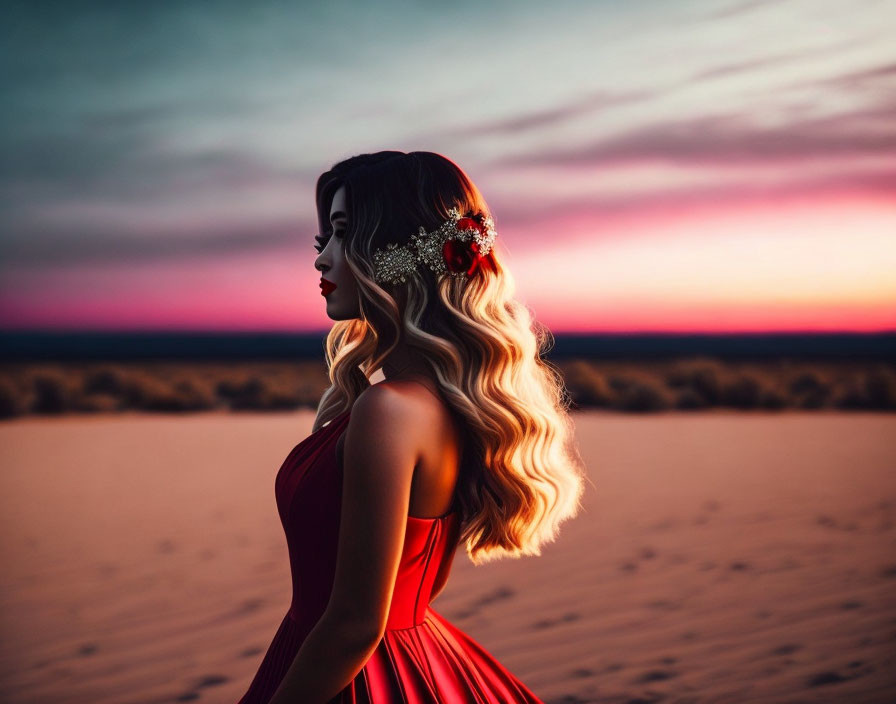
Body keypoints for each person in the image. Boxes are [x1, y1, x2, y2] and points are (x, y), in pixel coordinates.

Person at [236, 151, 587, 703]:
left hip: (349, 674)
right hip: (412, 659)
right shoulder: (442, 402)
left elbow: (355, 623)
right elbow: (418, 583)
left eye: (344, 235)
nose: (322, 260)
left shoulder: (391, 410)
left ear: (401, 256)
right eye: (321, 239)